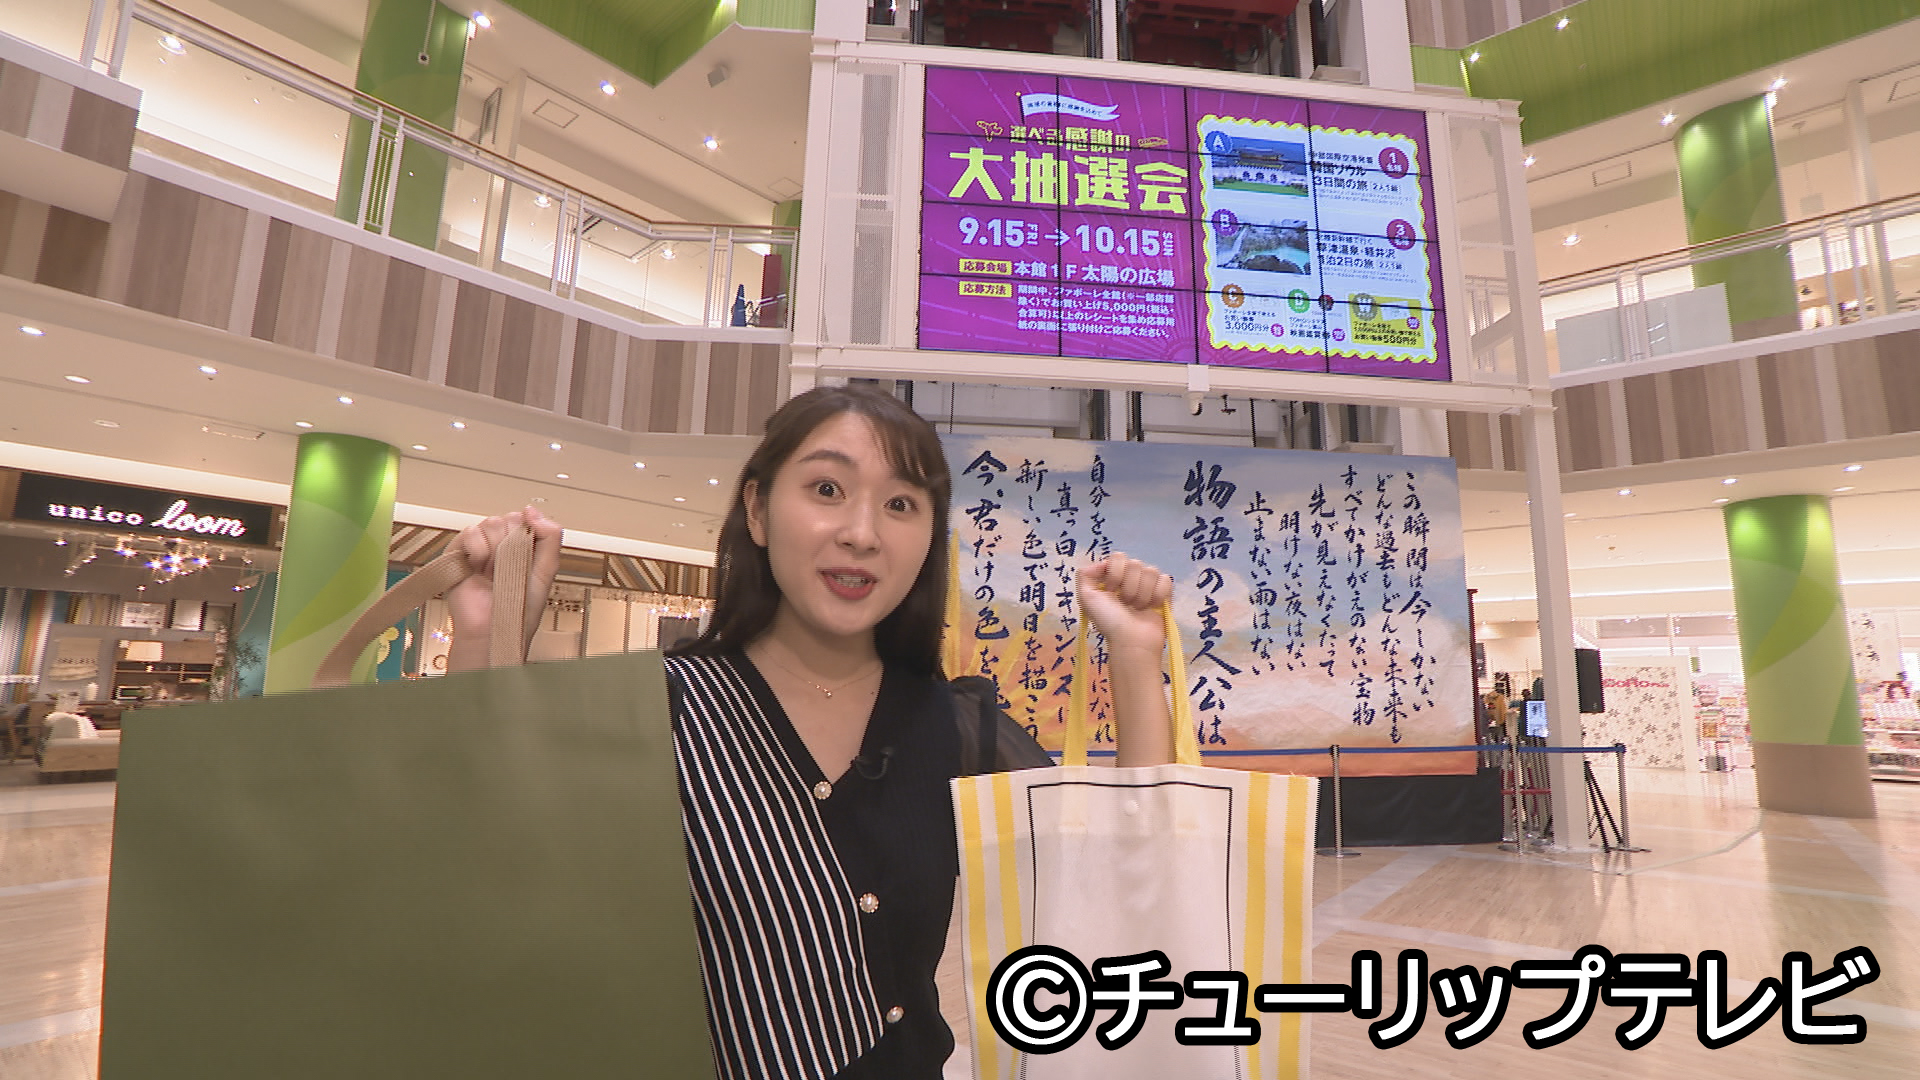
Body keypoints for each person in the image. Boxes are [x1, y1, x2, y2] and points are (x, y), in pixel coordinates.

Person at [446, 384, 1178, 1079]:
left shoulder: (956, 726)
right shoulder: (658, 708)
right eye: (827, 489)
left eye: (900, 504)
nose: (861, 533)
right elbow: (479, 863)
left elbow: (1123, 873)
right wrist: (485, 637)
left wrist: (1137, 655)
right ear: (758, 510)